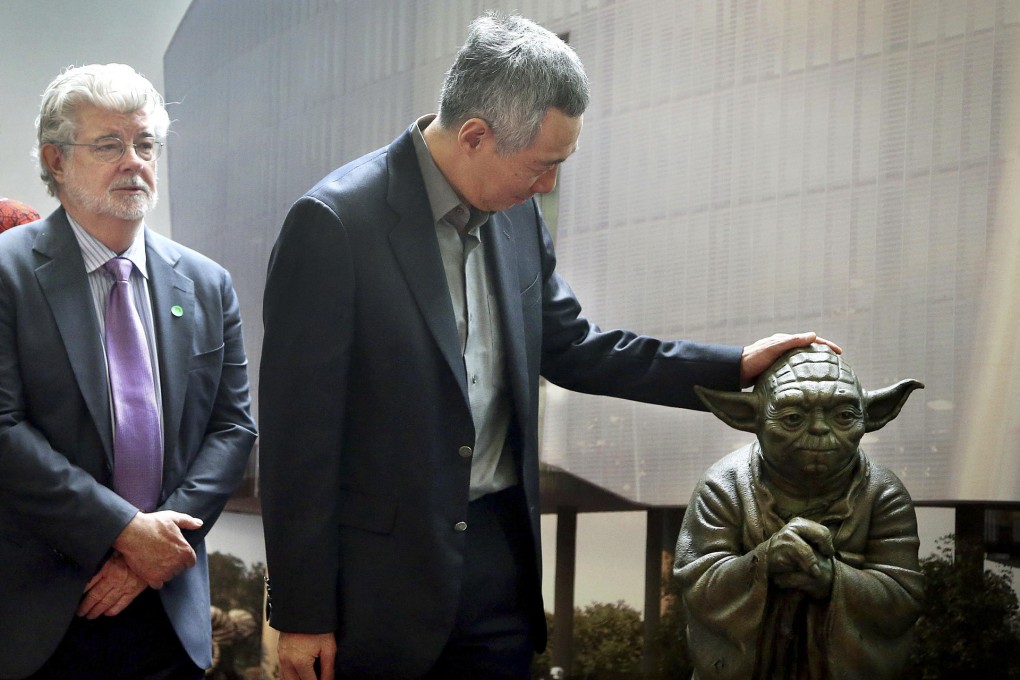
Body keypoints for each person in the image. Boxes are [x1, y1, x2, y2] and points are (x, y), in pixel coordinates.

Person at [259, 12, 839, 680]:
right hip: (377, 591)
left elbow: (575, 347)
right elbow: (297, 444)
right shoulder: (333, 225)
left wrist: (734, 367)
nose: (549, 185)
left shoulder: (516, 214)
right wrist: (301, 614)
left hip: (499, 570)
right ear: (475, 136)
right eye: (543, 165)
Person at [0, 63, 257, 680]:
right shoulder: (7, 274)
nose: (134, 161)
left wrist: (153, 553)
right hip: (45, 617)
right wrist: (121, 531)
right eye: (109, 145)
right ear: (55, 160)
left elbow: (233, 429)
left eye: (145, 144)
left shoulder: (206, 282)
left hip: (169, 611)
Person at [674, 344, 924, 679]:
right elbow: (698, 583)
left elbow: (903, 595)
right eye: (793, 417)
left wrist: (831, 580)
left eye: (844, 415)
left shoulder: (882, 491)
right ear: (750, 417)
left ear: (872, 415)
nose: (820, 429)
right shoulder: (724, 485)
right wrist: (763, 562)